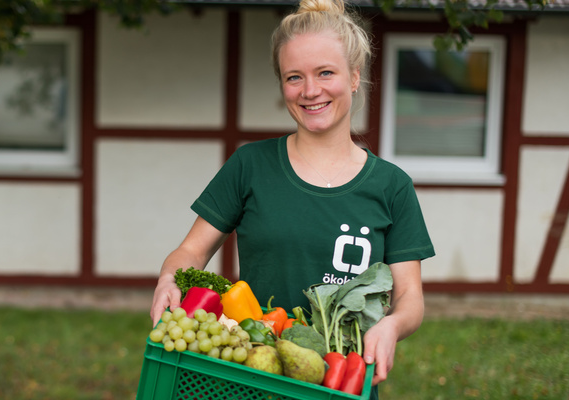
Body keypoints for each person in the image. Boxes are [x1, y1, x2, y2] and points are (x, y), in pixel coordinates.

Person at [149, 0, 435, 396]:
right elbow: (191, 252)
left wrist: (392, 325)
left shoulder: (392, 186)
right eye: (294, 77)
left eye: (325, 73)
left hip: (342, 382)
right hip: (254, 374)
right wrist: (169, 279)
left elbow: (409, 297)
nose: (310, 91)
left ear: (354, 76)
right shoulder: (251, 165)